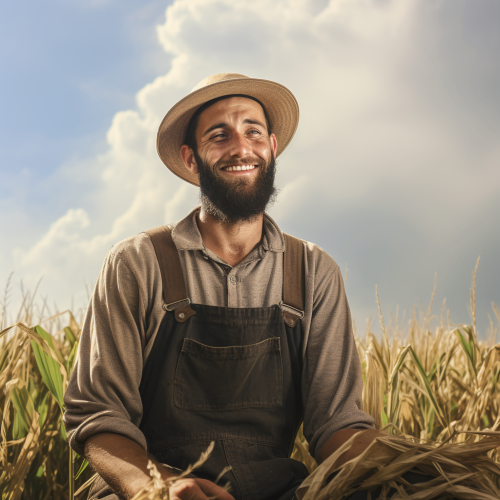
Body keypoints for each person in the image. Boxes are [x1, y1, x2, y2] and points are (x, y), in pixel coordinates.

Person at [63, 73, 381, 500]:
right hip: (146, 484)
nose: (240, 147)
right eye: (219, 135)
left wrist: (405, 470)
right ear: (191, 159)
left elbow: (336, 422)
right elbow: (98, 415)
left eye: (253, 131)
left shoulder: (313, 271)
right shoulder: (138, 262)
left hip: (275, 489)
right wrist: (158, 487)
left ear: (271, 147)